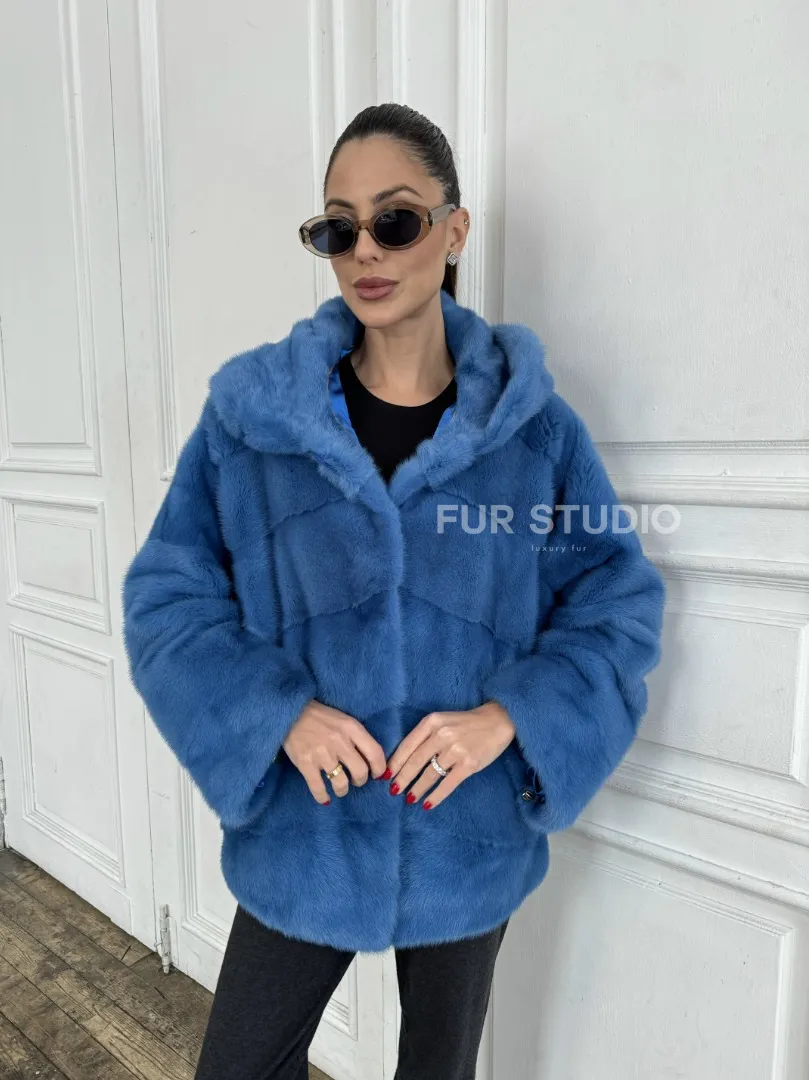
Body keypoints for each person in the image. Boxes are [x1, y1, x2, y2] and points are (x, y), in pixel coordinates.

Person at [122, 103, 666, 1080]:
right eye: (338, 228)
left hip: (467, 832)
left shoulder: (533, 434)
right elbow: (169, 594)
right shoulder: (256, 422)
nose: (365, 250)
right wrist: (276, 713)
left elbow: (613, 603)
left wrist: (508, 718)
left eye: (396, 219)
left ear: (453, 231)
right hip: (307, 828)